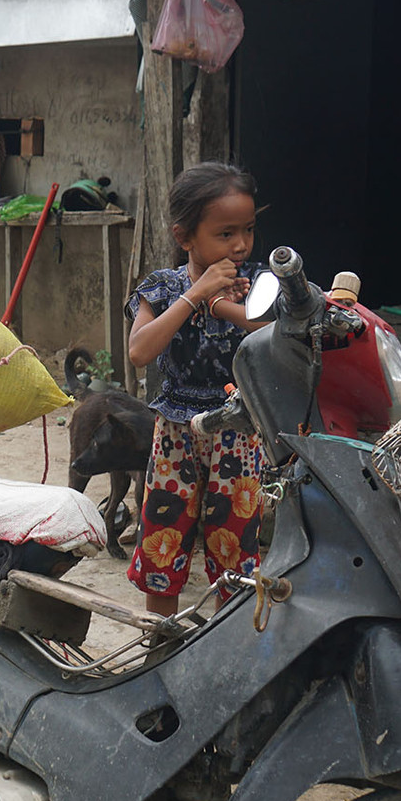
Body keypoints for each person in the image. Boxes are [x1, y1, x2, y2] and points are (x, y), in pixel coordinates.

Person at [125, 162, 268, 618]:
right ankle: (158, 641)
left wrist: (223, 304)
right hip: (176, 434)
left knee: (235, 547)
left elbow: (266, 324)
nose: (241, 244)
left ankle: (233, 645)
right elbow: (139, 351)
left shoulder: (259, 284)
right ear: (185, 236)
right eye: (225, 234)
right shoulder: (162, 288)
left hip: (239, 433)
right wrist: (196, 294)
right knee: (163, 542)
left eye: (247, 230)